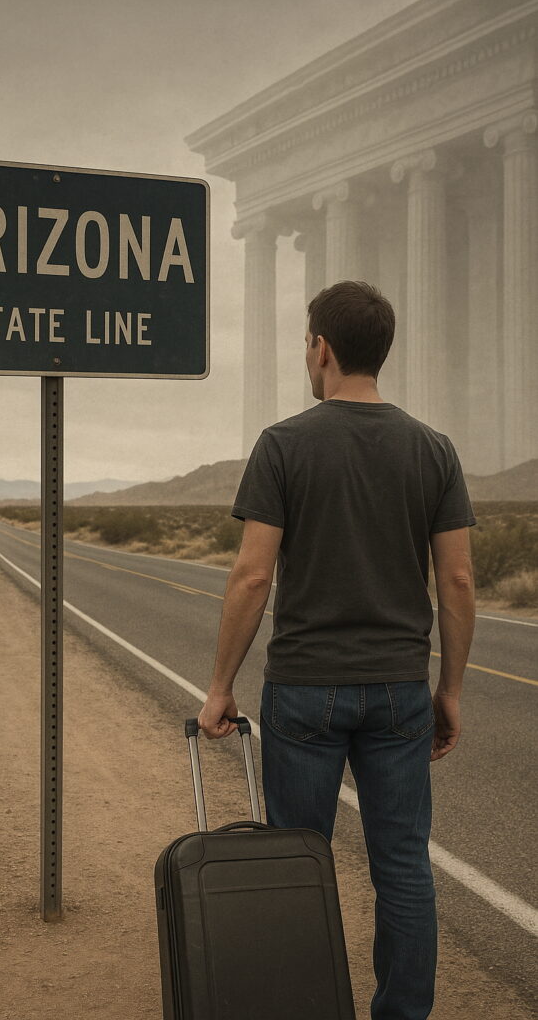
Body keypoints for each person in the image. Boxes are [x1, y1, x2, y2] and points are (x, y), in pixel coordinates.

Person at [197, 279, 477, 1020]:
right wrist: (448, 689)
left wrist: (219, 685)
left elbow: (253, 575)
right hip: (397, 691)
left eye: (303, 341)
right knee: (402, 868)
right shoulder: (433, 449)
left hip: (304, 690)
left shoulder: (284, 444)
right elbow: (455, 579)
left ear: (320, 348)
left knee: (298, 863)